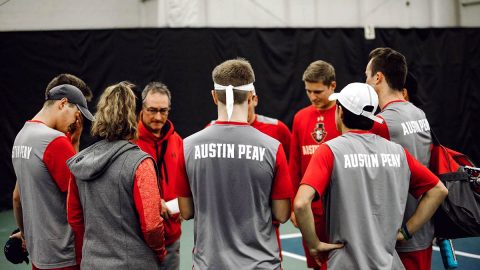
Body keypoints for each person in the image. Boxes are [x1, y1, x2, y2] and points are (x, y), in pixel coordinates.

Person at [294, 82, 448, 270]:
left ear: (340, 112)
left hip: (346, 263)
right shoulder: (398, 152)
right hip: (389, 263)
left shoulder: (329, 151)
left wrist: (314, 244)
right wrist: (406, 232)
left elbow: (301, 203)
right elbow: (438, 190)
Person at [175, 58, 293, 269]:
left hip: (209, 263)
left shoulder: (187, 146)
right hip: (260, 264)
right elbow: (282, 214)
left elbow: (185, 211)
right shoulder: (272, 147)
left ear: (214, 96)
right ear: (250, 96)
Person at [67, 82, 166, 269]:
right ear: (136, 116)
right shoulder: (140, 163)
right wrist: (160, 252)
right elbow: (152, 225)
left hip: (92, 263)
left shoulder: (80, 162)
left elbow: (75, 219)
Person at [366, 48, 436, 270]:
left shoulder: (380, 123)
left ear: (378, 78)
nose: (365, 81)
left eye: (366, 76)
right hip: (422, 227)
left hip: (397, 235)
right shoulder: (419, 114)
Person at [11, 83, 94, 270]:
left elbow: (17, 198)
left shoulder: (21, 137)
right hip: (65, 256)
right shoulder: (55, 141)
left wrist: (25, 235)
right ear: (63, 103)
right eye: (77, 114)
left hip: (39, 256)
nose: (76, 122)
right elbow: (81, 197)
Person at [289, 60, 341, 269]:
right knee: (317, 262)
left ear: (333, 86)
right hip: (311, 210)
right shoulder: (300, 117)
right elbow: (294, 164)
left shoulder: (344, 114)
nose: (312, 97)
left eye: (318, 91)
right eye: (308, 91)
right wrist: (294, 203)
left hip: (340, 207)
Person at [134, 81, 183, 270]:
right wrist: (154, 203)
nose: (158, 117)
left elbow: (184, 183)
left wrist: (185, 203)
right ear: (142, 109)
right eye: (152, 110)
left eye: (163, 111)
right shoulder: (130, 141)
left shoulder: (177, 141)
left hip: (171, 239)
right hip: (140, 243)